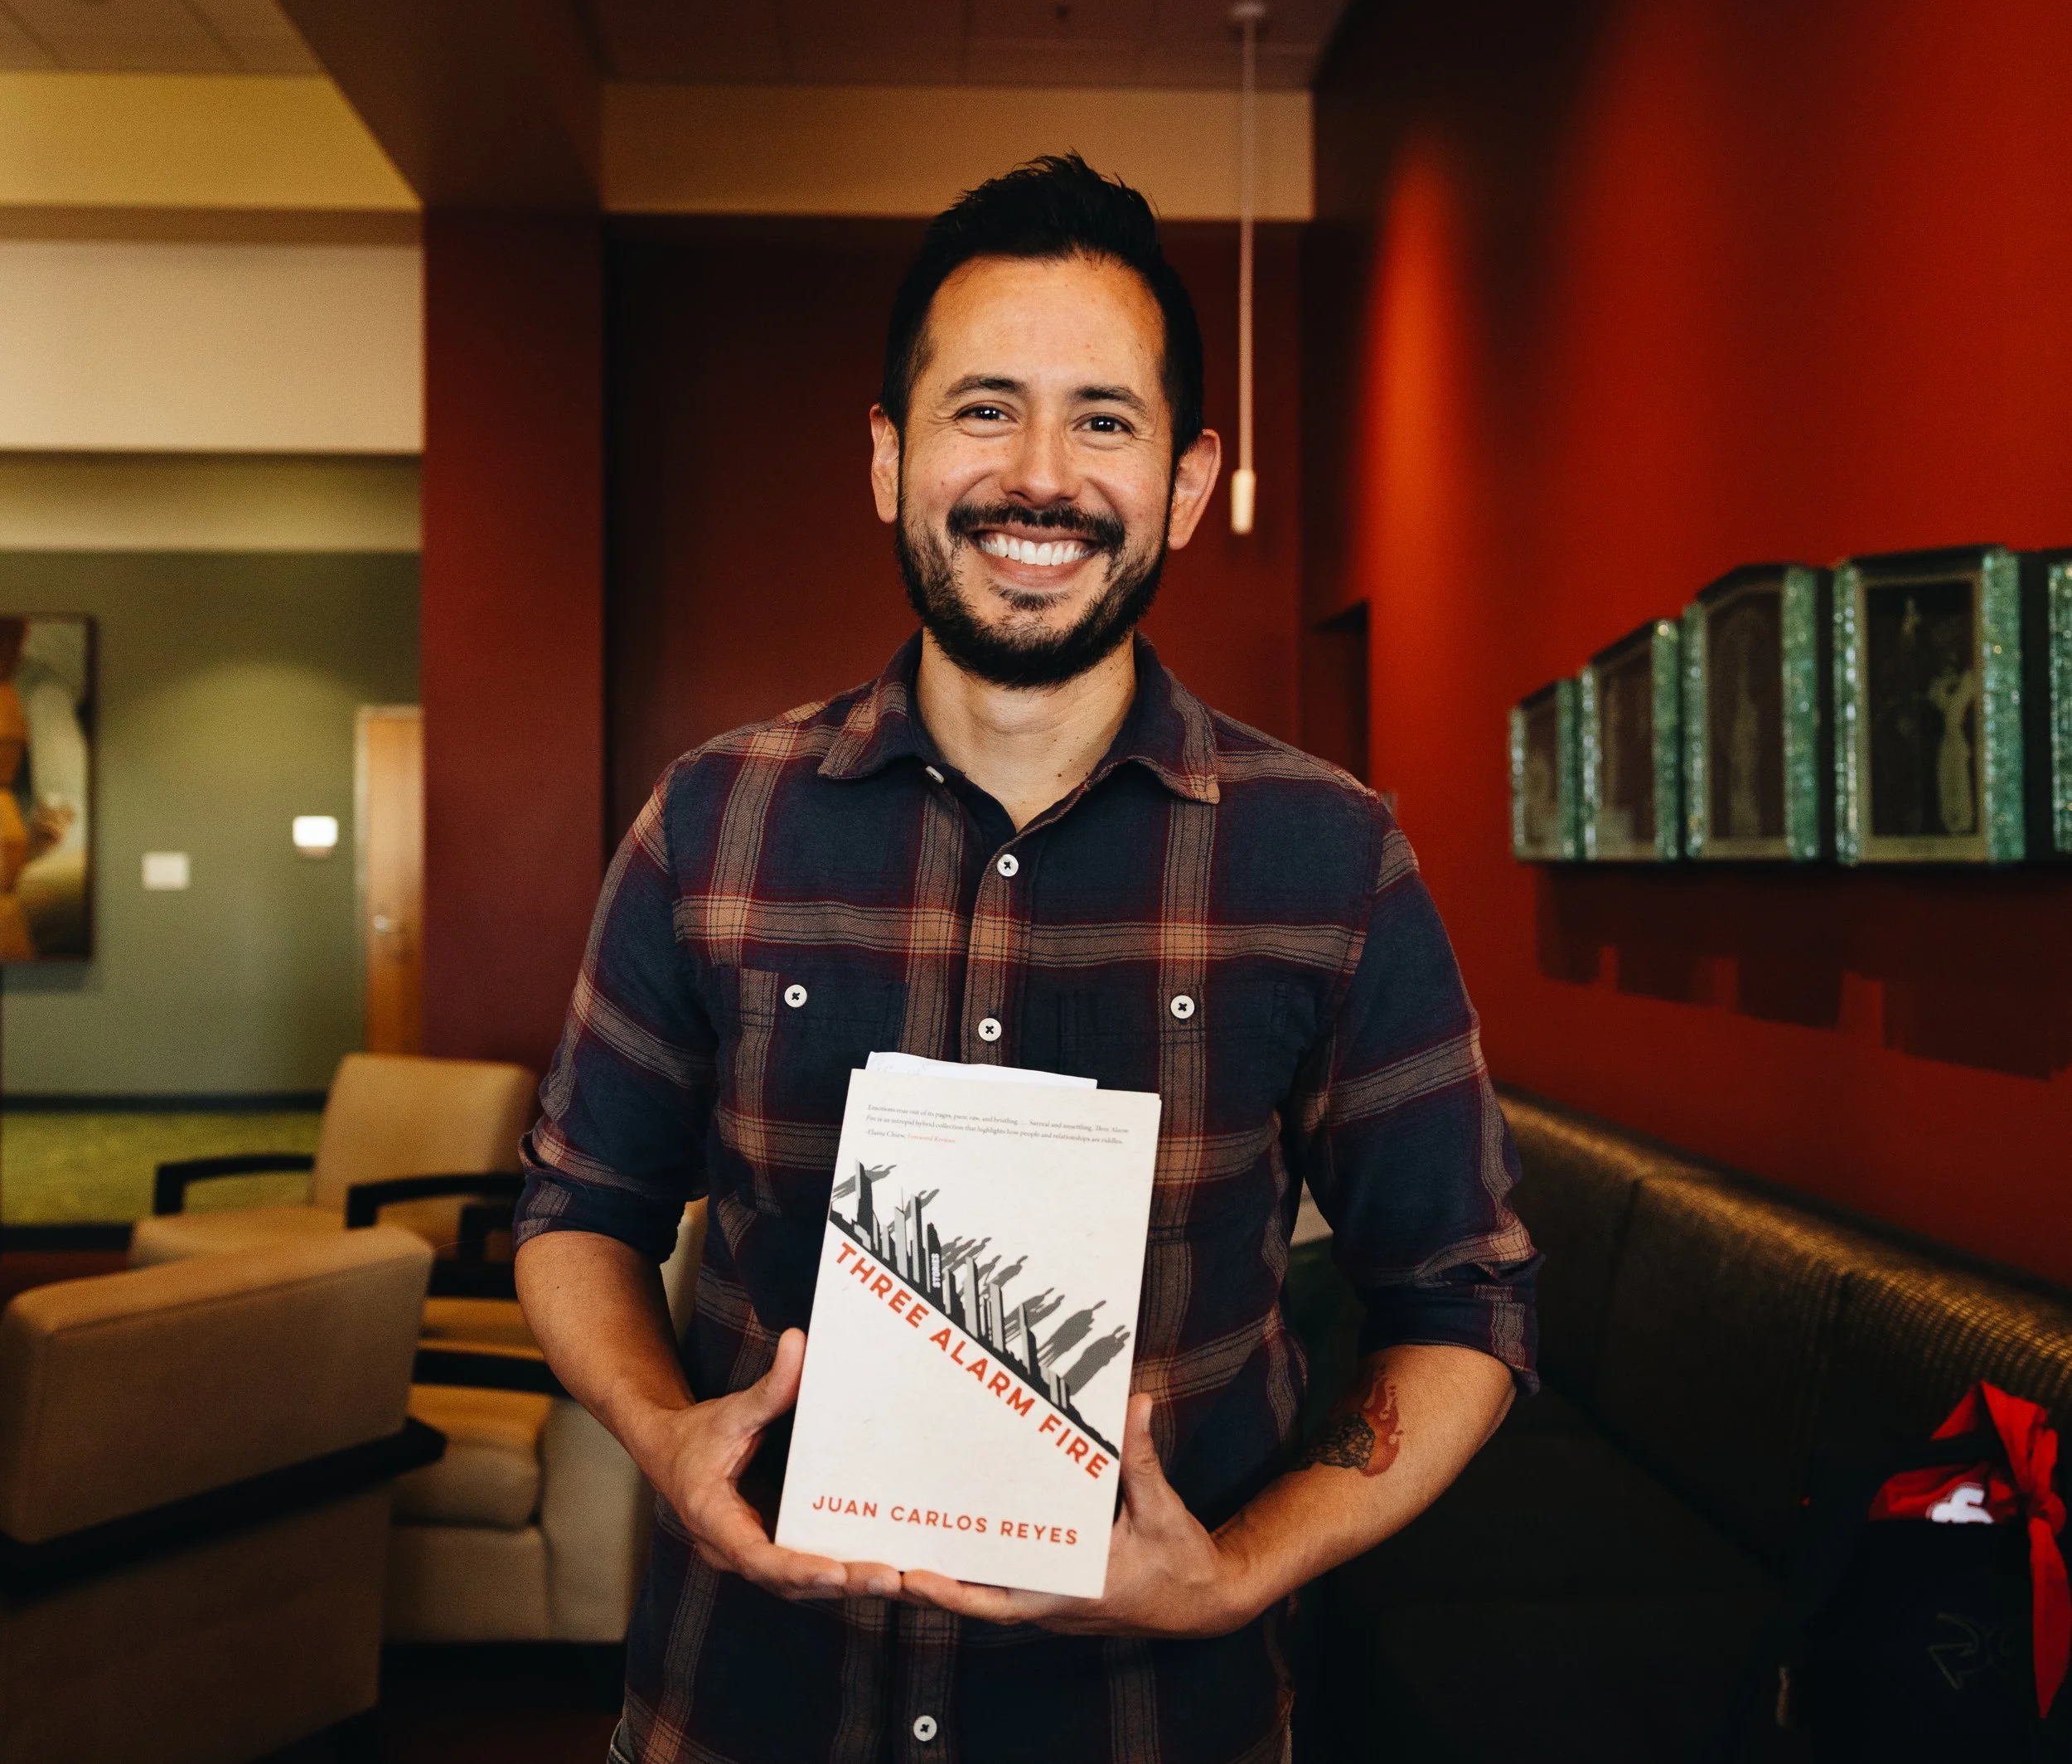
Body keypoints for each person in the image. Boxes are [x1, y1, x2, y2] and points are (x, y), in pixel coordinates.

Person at [513, 153, 1538, 1764]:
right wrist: (660, 1431)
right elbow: (576, 1209)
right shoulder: (710, 821)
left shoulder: (1327, 857)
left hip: (1154, 1722)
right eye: (984, 407)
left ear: (1188, 479)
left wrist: (1239, 1569)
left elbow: (1459, 1299)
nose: (1039, 472)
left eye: (1104, 418)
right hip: (750, 1707)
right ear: (886, 455)